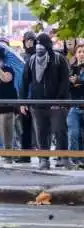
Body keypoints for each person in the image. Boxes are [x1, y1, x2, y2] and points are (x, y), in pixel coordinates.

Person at [20, 33, 71, 169]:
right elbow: (24, 82)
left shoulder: (59, 60)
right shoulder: (31, 60)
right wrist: (23, 102)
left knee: (60, 130)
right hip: (37, 104)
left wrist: (59, 102)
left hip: (57, 105)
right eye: (37, 44)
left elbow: (64, 83)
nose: (39, 48)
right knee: (41, 132)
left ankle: (64, 158)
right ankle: (44, 159)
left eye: (42, 44)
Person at [16, 31, 38, 162]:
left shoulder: (39, 56)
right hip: (25, 95)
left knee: (41, 129)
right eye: (27, 40)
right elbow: (20, 80)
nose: (29, 42)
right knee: (25, 128)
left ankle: (43, 156)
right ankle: (25, 155)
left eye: (31, 40)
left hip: (37, 96)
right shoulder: (21, 57)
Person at [68, 43, 84, 167]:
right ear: (75, 54)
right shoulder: (71, 68)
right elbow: (67, 86)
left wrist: (79, 82)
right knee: (74, 133)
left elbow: (77, 84)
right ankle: (74, 159)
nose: (82, 54)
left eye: (83, 52)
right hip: (74, 106)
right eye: (79, 52)